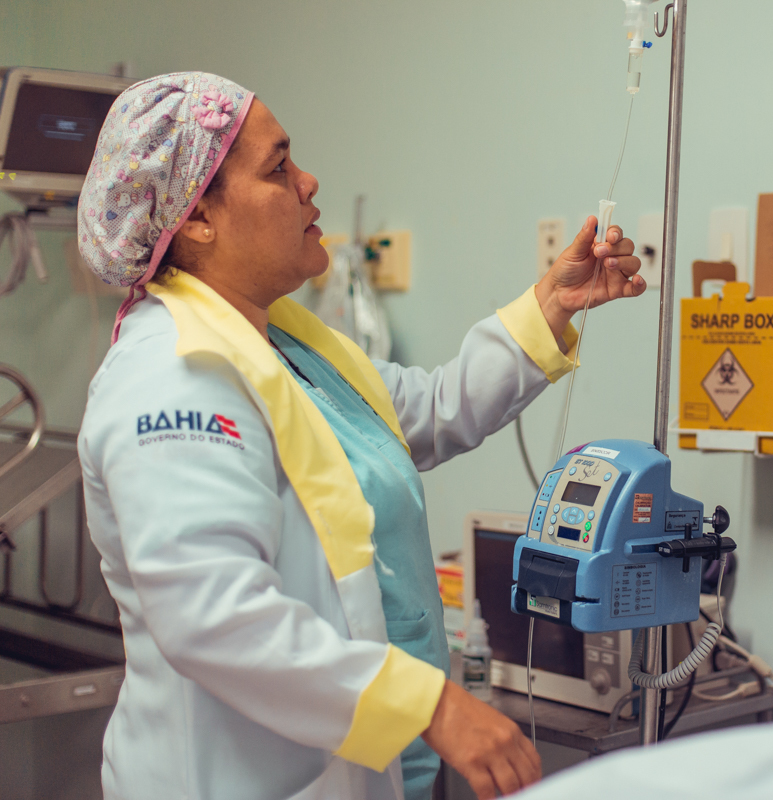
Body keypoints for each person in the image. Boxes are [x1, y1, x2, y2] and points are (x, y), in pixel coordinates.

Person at [75, 72, 644, 800]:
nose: (310, 182)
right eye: (278, 168)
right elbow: (213, 616)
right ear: (196, 221)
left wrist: (551, 306)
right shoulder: (174, 376)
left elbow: (432, 408)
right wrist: (430, 705)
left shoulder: (288, 350)